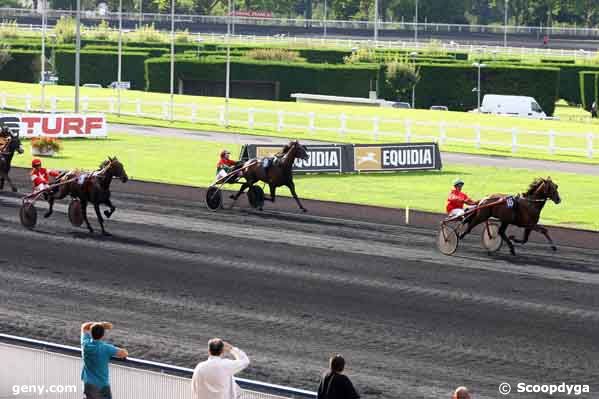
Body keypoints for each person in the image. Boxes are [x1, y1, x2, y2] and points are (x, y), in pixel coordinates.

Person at [80, 321, 128, 399]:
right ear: (103, 335)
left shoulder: (86, 344)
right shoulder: (106, 348)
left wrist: (101, 324)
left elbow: (84, 327)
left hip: (88, 384)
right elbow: (124, 353)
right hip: (102, 385)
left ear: (91, 333)